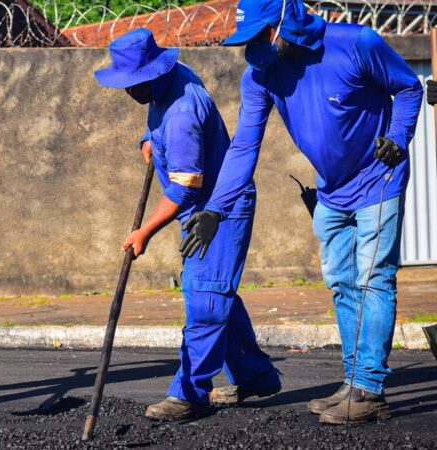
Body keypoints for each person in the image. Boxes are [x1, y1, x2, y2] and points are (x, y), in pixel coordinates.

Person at [179, 0, 422, 425]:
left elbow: (408, 88)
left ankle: (369, 390)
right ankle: (353, 382)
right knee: (343, 284)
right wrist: (217, 208)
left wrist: (398, 136)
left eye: (259, 36)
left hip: (379, 177)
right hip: (331, 189)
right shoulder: (261, 75)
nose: (252, 49)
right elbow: (244, 147)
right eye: (246, 41)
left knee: (372, 279)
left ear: (285, 20)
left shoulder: (357, 43)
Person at [94, 28, 281, 421]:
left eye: (134, 85)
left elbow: (185, 188)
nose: (129, 92)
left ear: (153, 75)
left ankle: (189, 393)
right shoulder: (173, 77)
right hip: (200, 207)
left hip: (218, 212)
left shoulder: (182, 114)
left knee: (206, 301)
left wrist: (144, 231)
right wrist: (149, 138)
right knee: (215, 293)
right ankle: (257, 374)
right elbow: (160, 126)